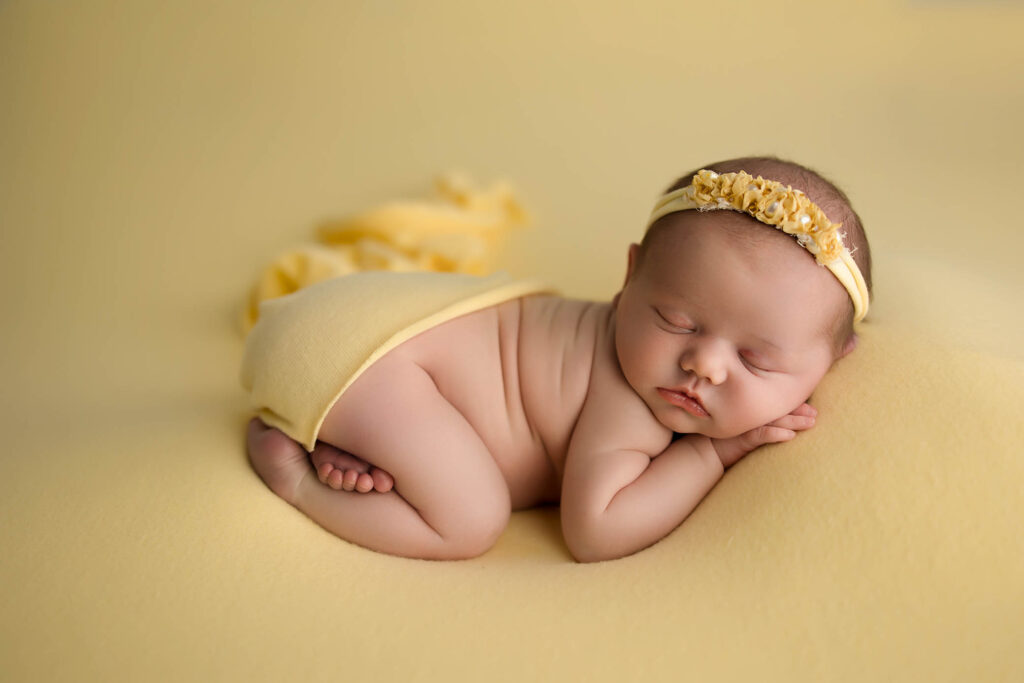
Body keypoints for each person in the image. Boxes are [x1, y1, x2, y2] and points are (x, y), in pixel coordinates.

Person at [242, 155, 872, 562]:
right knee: (470, 520)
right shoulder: (630, 403)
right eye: (674, 320)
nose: (702, 365)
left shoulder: (656, 363)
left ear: (835, 361)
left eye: (757, 360)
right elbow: (595, 531)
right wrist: (712, 452)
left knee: (445, 448)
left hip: (358, 345)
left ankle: (361, 436)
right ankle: (296, 478)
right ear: (629, 276)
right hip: (369, 355)